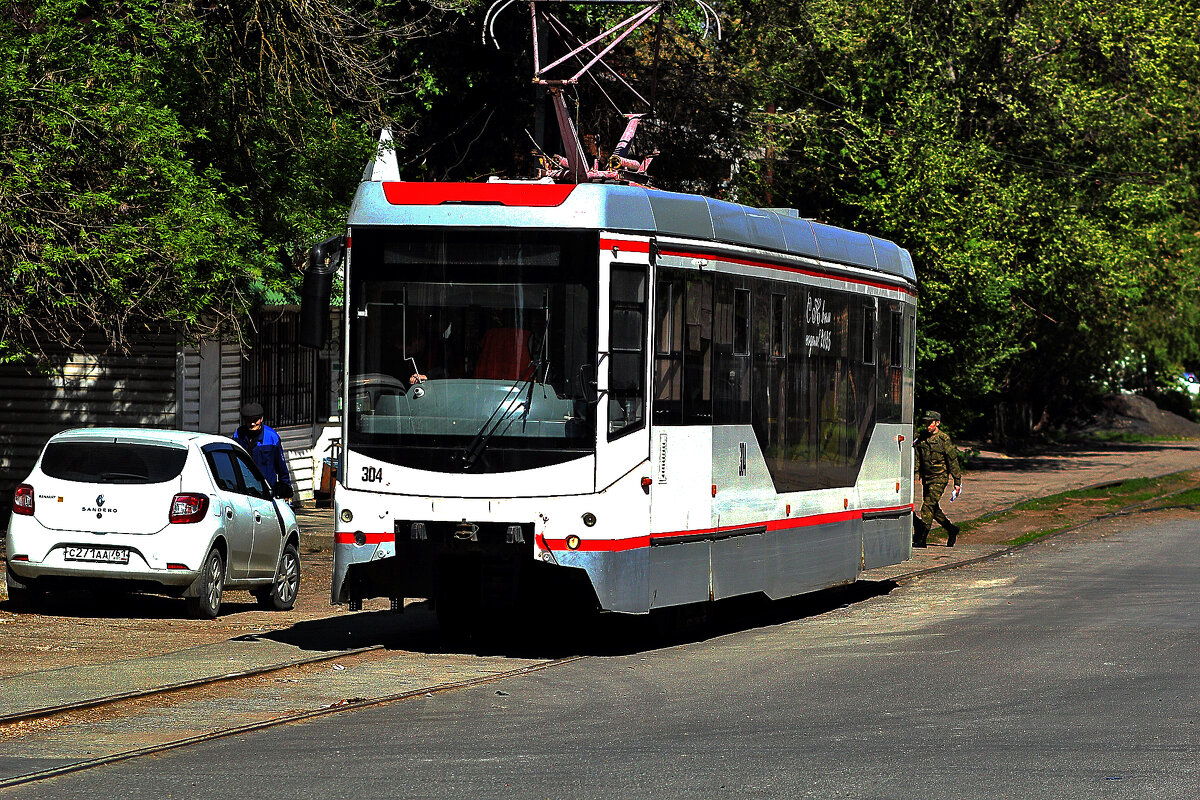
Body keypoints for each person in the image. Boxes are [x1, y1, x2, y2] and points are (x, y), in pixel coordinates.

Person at [913, 410, 963, 548]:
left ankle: (922, 538)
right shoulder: (922, 437)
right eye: (926, 422)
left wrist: (957, 482)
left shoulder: (943, 439)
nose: (928, 425)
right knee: (933, 509)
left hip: (939, 478)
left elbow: (952, 461)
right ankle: (951, 529)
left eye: (930, 423)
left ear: (937, 423)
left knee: (927, 506)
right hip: (927, 478)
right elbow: (918, 457)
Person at [232, 402, 292, 493]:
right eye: (249, 420)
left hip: (267, 490)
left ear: (261, 419)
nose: (252, 424)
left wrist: (286, 487)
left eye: (255, 420)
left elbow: (281, 465)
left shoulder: (272, 437)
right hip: (244, 488)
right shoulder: (238, 435)